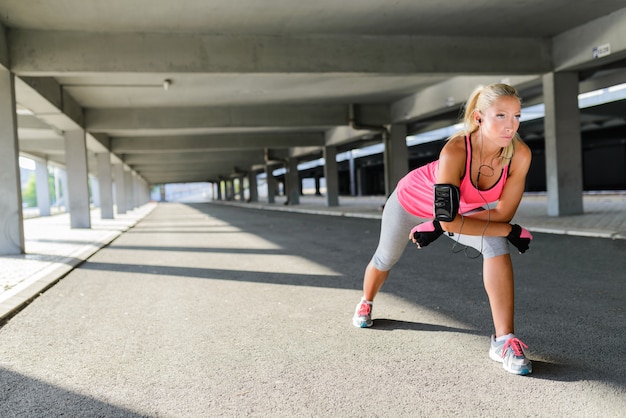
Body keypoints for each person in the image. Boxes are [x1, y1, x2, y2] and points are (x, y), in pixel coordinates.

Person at [352, 83, 534, 375]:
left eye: (516, 116)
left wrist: (505, 230)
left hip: (454, 213)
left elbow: (501, 214)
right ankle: (366, 301)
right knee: (385, 258)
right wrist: (510, 231)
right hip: (408, 202)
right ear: (478, 118)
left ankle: (503, 340)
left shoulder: (519, 155)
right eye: (501, 115)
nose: (510, 125)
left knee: (495, 245)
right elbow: (450, 220)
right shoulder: (457, 150)